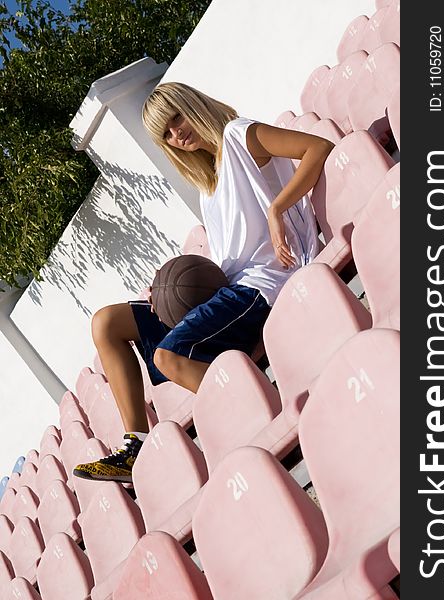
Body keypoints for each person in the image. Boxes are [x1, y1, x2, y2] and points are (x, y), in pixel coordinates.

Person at [73, 82, 334, 483]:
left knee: (168, 355)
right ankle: (136, 445)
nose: (177, 133)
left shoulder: (239, 135)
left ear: (191, 105)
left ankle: (271, 423)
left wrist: (278, 208)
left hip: (263, 284)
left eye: (176, 117)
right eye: (167, 133)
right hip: (229, 288)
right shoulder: (207, 186)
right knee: (106, 323)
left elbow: (317, 148)